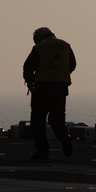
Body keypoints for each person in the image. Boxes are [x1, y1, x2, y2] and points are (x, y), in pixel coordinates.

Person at [23, 27, 76, 160]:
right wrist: (62, 74)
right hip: (61, 87)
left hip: (42, 87)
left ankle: (42, 151)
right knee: (57, 118)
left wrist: (30, 82)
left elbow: (28, 67)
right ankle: (65, 137)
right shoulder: (65, 45)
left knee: (38, 120)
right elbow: (72, 64)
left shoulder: (39, 48)